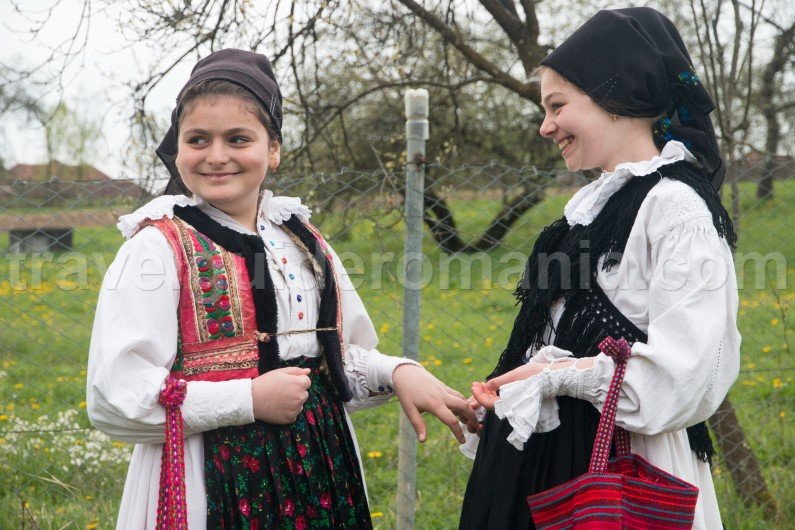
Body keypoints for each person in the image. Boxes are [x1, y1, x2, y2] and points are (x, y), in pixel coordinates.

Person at [86, 48, 476, 529]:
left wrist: (397, 372)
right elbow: (117, 395)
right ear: (177, 147)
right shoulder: (156, 247)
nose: (217, 156)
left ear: (273, 149)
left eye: (238, 138)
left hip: (317, 468)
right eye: (198, 139)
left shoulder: (302, 241)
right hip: (207, 478)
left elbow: (330, 359)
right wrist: (247, 399)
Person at [458, 7, 740, 530]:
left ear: (616, 95)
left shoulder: (676, 208)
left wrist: (559, 376)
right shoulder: (586, 212)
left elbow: (691, 375)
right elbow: (550, 342)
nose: (546, 126)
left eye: (558, 105)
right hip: (548, 466)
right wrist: (511, 394)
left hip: (623, 475)